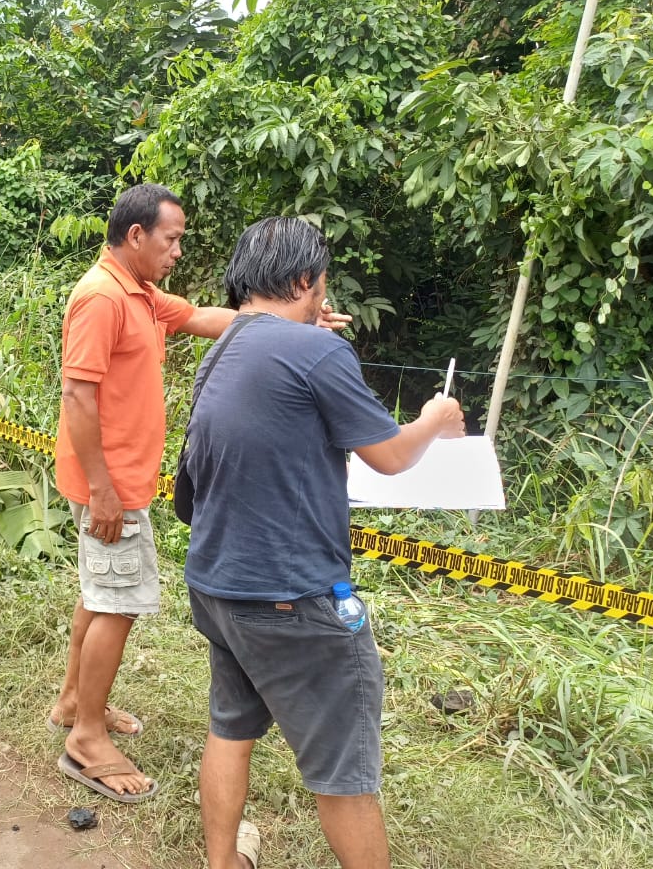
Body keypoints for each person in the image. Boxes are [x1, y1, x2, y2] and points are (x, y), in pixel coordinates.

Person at [49, 184, 352, 804]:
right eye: (172, 238)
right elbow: (77, 396)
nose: (178, 250)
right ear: (136, 236)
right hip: (110, 485)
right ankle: (85, 739)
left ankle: (76, 701)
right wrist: (103, 490)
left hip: (122, 480)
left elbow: (203, 319)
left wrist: (287, 318)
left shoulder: (139, 293)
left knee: (101, 591)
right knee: (118, 603)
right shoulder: (102, 298)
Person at [181, 216, 464, 869]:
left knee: (231, 725)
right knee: (344, 770)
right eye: (321, 286)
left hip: (218, 584)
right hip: (291, 598)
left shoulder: (222, 350)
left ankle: (222, 862)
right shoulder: (317, 352)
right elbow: (390, 456)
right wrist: (433, 419)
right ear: (306, 280)